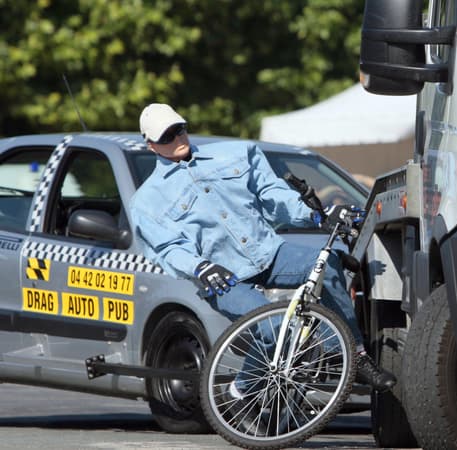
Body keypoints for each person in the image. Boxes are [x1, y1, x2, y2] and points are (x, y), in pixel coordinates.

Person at [129, 103, 396, 395]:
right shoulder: (146, 201)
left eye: (179, 129)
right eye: (166, 136)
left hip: (268, 253)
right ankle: (242, 389)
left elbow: (273, 194)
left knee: (327, 262)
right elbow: (167, 248)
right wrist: (199, 266)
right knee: (272, 327)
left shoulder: (236, 154)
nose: (177, 138)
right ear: (152, 145)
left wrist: (317, 214)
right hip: (224, 278)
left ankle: (350, 356)